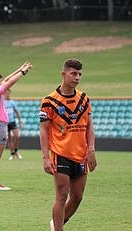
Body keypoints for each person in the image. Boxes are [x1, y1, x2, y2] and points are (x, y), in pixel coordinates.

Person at [39, 59, 97, 231]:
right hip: (60, 153)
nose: (77, 77)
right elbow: (44, 130)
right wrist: (45, 157)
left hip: (81, 155)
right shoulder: (49, 101)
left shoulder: (84, 99)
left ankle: (57, 223)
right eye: (73, 73)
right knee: (62, 196)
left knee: (78, 197)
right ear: (63, 75)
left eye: (79, 74)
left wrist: (91, 149)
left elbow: (90, 125)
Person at [0, 62, 32, 191]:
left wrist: (20, 69)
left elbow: (6, 80)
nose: (2, 81)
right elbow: (9, 83)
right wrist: (22, 73)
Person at [3, 89, 23, 160]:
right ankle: (12, 154)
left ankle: (16, 150)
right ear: (4, 94)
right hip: (5, 123)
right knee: (9, 138)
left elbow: (17, 112)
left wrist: (20, 121)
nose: (8, 95)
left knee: (16, 136)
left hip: (12, 122)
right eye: (6, 93)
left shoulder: (12, 102)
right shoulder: (2, 103)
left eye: (9, 93)